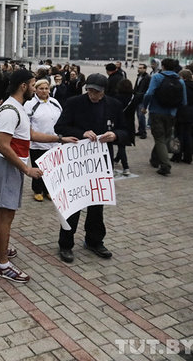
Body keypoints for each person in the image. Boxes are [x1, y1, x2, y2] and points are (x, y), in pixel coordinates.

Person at [0, 70, 77, 279]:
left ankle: (0, 251)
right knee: (6, 214)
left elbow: (30, 135)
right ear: (23, 86)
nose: (34, 88)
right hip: (7, 166)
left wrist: (59, 139)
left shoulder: (17, 108)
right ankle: (3, 263)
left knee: (4, 212)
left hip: (11, 166)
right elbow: (3, 146)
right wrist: (26, 169)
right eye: (32, 85)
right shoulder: (11, 110)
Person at [54, 73, 128, 263]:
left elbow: (126, 131)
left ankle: (95, 240)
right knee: (74, 204)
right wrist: (81, 133)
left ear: (104, 92)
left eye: (96, 92)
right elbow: (60, 127)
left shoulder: (114, 105)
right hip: (77, 162)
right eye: (89, 90)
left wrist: (115, 135)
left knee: (97, 204)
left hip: (101, 162)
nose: (92, 94)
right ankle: (66, 244)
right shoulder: (74, 102)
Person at [142, 58, 187, 176]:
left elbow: (149, 93)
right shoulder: (180, 80)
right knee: (164, 137)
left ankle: (165, 165)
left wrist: (144, 107)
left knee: (159, 138)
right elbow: (184, 101)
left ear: (162, 66)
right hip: (172, 114)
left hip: (157, 112)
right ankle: (154, 159)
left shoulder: (157, 77)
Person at [23, 79, 63, 201]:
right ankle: (37, 190)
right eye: (41, 88)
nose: (44, 91)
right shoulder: (30, 104)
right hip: (38, 143)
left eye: (46, 88)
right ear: (35, 89)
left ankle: (48, 190)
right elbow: (26, 123)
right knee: (38, 168)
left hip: (54, 142)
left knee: (51, 168)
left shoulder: (55, 102)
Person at [170, 69, 193, 164]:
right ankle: (188, 157)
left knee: (178, 135)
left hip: (181, 112)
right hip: (191, 112)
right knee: (188, 135)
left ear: (183, 77)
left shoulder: (182, 86)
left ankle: (177, 155)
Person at [112, 78, 136, 175]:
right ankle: (117, 159)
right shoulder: (133, 97)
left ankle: (126, 167)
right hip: (130, 122)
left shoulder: (116, 97)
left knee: (121, 145)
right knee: (122, 143)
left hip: (119, 122)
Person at [133, 63, 151, 139]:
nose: (139, 69)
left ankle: (143, 132)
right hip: (137, 98)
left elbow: (147, 89)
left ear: (145, 69)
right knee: (138, 115)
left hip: (142, 99)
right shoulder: (139, 76)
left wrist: (140, 95)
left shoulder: (147, 77)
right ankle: (140, 130)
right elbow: (136, 87)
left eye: (141, 68)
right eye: (138, 68)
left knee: (141, 116)